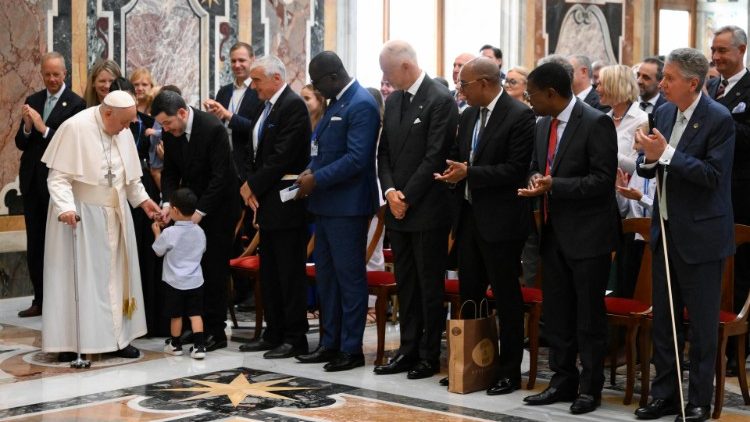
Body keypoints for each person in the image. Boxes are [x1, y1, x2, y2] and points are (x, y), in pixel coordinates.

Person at [633, 48, 735, 422]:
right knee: (665, 320)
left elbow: (712, 176)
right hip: (665, 231)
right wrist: (646, 155)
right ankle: (665, 394)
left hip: (702, 237)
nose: (662, 84)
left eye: (669, 78)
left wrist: (667, 153)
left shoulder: (718, 119)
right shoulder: (662, 111)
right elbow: (652, 170)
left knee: (703, 327)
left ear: (692, 84)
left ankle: (697, 403)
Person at [518, 62, 618, 415]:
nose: (528, 101)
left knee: (588, 317)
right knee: (557, 314)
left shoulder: (596, 122)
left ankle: (590, 388)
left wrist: (554, 186)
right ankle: (562, 380)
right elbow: (535, 164)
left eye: (531, 95)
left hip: (589, 236)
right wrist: (535, 181)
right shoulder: (542, 123)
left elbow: (603, 181)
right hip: (552, 233)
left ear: (551, 93)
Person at [435, 57, 535, 394]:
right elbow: (459, 155)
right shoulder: (467, 115)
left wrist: (470, 173)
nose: (459, 90)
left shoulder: (519, 115)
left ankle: (508, 370)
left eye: (463, 84)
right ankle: (470, 363)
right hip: (468, 218)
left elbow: (515, 169)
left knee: (506, 298)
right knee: (470, 294)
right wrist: (452, 174)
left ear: (484, 83)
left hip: (502, 222)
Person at [40, 91, 162, 361]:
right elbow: (57, 178)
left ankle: (119, 339)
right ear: (108, 113)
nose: (128, 128)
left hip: (116, 215)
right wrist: (66, 208)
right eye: (124, 122)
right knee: (83, 281)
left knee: (118, 279)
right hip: (82, 217)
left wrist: (144, 202)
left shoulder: (123, 131)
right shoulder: (75, 128)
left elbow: (129, 180)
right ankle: (73, 342)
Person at [375, 40, 458, 380]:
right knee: (406, 283)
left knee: (428, 286)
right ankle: (407, 348)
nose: (385, 78)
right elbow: (384, 154)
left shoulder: (440, 99)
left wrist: (406, 196)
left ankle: (427, 353)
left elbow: (435, 156)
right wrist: (391, 191)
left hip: (426, 209)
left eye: (387, 71)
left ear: (406, 67)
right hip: (399, 209)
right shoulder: (394, 101)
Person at [294, 51, 381, 371]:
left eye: (318, 83)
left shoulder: (361, 104)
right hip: (326, 205)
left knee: (349, 279)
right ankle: (329, 343)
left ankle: (350, 348)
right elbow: (324, 152)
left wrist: (316, 180)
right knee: (327, 279)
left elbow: (357, 159)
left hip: (348, 207)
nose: (317, 90)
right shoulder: (336, 102)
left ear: (333, 77)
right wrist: (307, 173)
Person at [234, 55, 311, 359]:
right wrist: (250, 183)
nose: (252, 86)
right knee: (271, 272)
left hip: (286, 199)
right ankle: (273, 331)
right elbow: (254, 151)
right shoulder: (264, 106)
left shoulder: (293, 106)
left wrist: (252, 185)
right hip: (266, 198)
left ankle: (295, 336)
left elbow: (282, 156)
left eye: (256, 80)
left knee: (289, 272)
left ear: (276, 79)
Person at [152, 89, 240, 352]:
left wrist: (198, 214)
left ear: (181, 113)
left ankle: (216, 331)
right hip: (190, 210)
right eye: (161, 125)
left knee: (213, 271)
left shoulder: (212, 128)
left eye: (167, 123)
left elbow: (220, 177)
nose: (165, 129)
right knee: (191, 270)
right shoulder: (172, 132)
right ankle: (195, 327)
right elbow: (169, 173)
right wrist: (169, 204)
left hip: (219, 209)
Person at [14, 52, 86, 318]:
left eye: (57, 74)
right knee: (36, 242)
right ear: (42, 74)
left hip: (59, 185)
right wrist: (28, 127)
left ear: (65, 74)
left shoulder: (77, 104)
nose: (52, 79)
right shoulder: (33, 100)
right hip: (33, 183)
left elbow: (73, 143)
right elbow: (21, 143)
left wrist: (43, 128)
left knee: (59, 244)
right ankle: (40, 299)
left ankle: (61, 300)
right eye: (48, 74)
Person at [707, 25, 750, 376]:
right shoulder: (708, 88)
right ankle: (708, 343)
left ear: (742, 50)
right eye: (714, 50)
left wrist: (714, 117)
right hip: (708, 195)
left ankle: (739, 350)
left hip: (741, 196)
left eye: (723, 51)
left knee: (739, 275)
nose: (717, 57)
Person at [152, 188, 207, 360]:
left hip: (174, 281)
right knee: (195, 314)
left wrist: (156, 233)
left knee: (176, 315)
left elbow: (158, 251)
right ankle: (199, 346)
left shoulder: (169, 233)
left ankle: (175, 344)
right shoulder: (199, 231)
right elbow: (203, 249)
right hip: (195, 280)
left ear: (174, 210)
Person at [203, 42, 260, 182]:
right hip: (223, 161)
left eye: (242, 60)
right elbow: (217, 126)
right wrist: (211, 116)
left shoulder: (259, 90)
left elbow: (257, 128)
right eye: (233, 61)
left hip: (248, 164)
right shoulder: (224, 91)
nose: (237, 65)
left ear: (253, 59)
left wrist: (228, 115)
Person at [596, 65, 649, 174]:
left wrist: (607, 151)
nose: (597, 89)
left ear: (615, 87)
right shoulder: (603, 119)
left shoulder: (642, 120)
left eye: (600, 84)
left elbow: (639, 168)